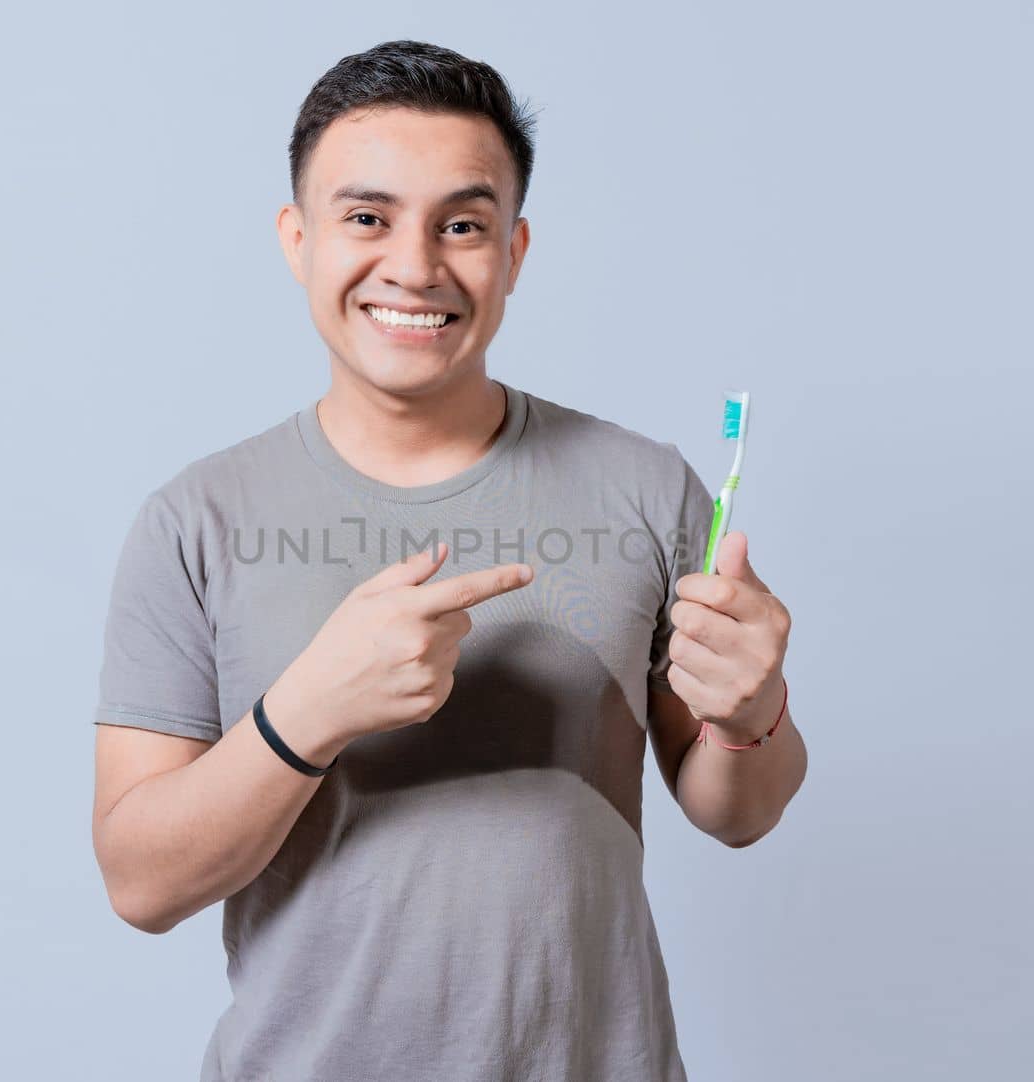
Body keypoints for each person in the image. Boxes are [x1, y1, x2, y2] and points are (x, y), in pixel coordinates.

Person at [90, 39, 808, 1082]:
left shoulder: (648, 485)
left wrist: (757, 714)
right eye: (367, 217)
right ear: (298, 240)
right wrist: (309, 712)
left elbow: (733, 811)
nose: (416, 266)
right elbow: (141, 883)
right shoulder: (192, 519)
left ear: (513, 251)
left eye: (461, 224)